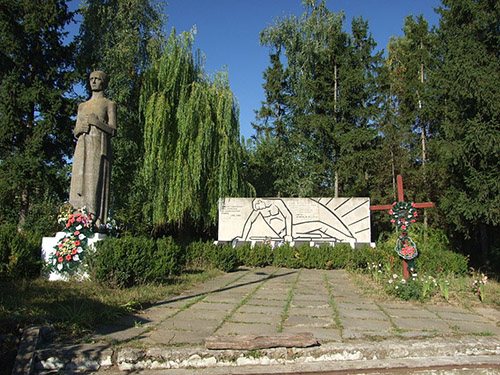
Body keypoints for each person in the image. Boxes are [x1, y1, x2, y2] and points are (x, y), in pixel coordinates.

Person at [69, 71, 117, 228]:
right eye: (91, 79)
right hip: (82, 146)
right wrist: (79, 129)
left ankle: (92, 217)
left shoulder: (109, 104)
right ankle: (76, 217)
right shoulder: (82, 106)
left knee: (93, 181)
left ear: (103, 82)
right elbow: (76, 130)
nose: (94, 82)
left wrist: (97, 123)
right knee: (78, 180)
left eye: (97, 79)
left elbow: (113, 130)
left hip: (98, 146)